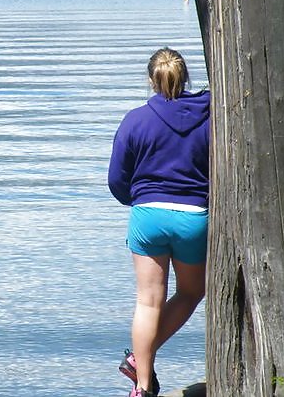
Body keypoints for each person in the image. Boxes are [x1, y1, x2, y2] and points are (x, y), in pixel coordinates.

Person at [108, 47, 210, 397]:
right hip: (193, 217)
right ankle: (140, 359)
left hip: (147, 215)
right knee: (192, 291)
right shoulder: (211, 114)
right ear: (185, 78)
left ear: (151, 80)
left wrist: (136, 200)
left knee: (148, 301)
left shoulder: (135, 120)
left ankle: (143, 384)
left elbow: (116, 180)